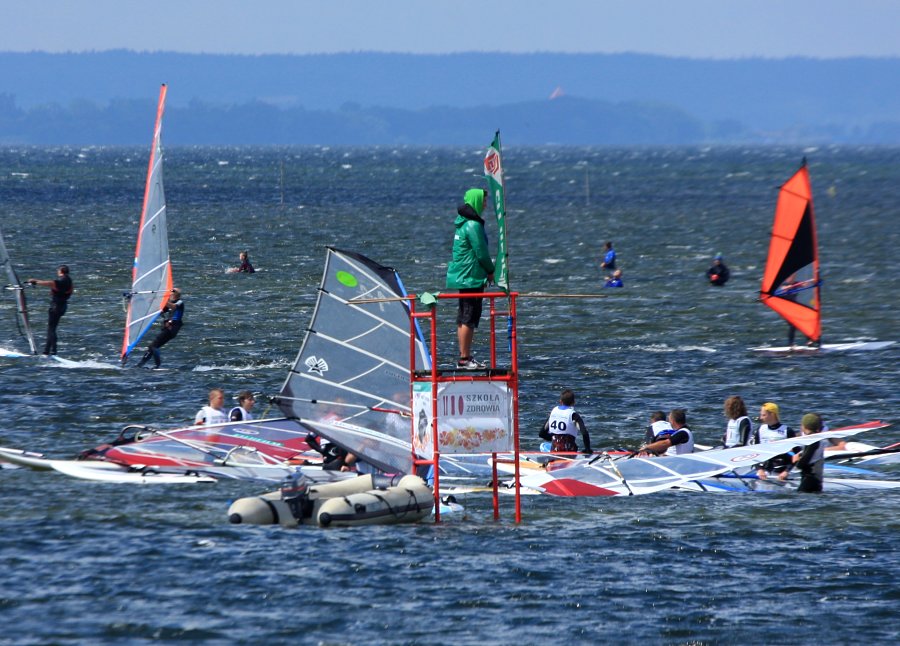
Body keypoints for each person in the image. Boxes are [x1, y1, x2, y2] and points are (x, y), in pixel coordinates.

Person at [446, 187, 495, 370]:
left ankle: (464, 357)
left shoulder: (463, 222)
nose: (485, 205)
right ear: (475, 201)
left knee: (464, 317)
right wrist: (491, 271)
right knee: (469, 317)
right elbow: (481, 253)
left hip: (463, 276)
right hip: (471, 277)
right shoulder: (473, 225)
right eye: (483, 201)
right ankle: (464, 359)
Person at [28, 265, 74, 355]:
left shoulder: (62, 280)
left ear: (61, 271)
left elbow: (50, 283)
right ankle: (46, 351)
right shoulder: (69, 280)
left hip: (56, 306)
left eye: (58, 270)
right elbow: (69, 291)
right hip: (63, 306)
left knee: (51, 329)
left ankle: (54, 351)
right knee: (52, 328)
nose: (57, 271)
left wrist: (35, 281)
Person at [136, 288, 184, 368]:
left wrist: (162, 300)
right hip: (168, 328)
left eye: (172, 292)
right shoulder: (168, 304)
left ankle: (157, 366)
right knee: (152, 347)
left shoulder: (179, 302)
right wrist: (148, 301)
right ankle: (140, 365)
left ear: (176, 294)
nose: (170, 293)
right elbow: (158, 311)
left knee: (153, 346)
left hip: (172, 328)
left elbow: (173, 307)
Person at [538, 389, 592, 455]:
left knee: (546, 444)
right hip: (570, 452)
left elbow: (541, 434)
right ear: (573, 402)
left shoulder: (553, 412)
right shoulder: (573, 415)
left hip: (555, 451)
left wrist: (554, 438)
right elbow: (584, 433)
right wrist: (587, 449)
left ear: (560, 401)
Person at [755, 402, 798, 480]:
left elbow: (797, 454)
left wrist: (786, 471)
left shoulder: (787, 431)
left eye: (764, 415)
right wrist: (760, 469)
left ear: (772, 415)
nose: (761, 418)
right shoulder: (760, 430)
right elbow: (754, 453)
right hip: (765, 469)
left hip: (782, 471)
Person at [790, 413, 826, 493]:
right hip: (816, 479)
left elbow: (803, 463)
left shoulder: (812, 440)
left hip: (810, 479)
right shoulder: (818, 438)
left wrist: (796, 461)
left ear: (804, 426)